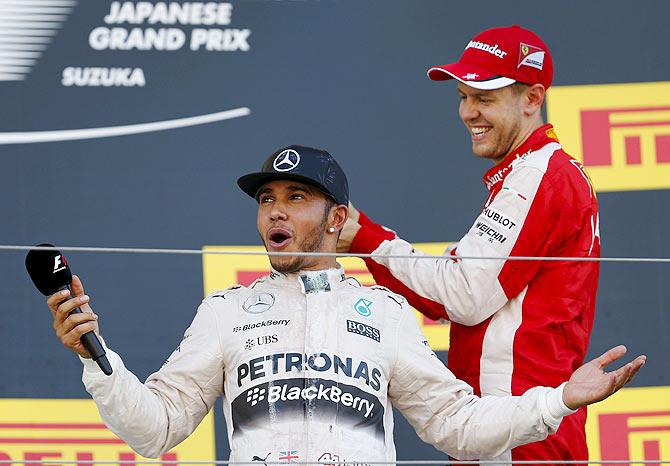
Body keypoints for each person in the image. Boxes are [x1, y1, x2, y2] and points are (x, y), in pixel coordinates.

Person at [48, 145, 638, 465]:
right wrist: (97, 361)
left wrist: (558, 400)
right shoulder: (226, 311)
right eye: (268, 200)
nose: (276, 211)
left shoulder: (382, 312)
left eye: (296, 197)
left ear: (336, 220)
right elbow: (157, 431)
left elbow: (460, 427)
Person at [337, 25, 601, 465]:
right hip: (503, 427)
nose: (468, 112)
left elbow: (463, 294)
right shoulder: (534, 175)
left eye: (485, 98)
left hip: (521, 436)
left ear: (533, 99)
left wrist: (365, 238)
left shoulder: (539, 176)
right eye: (463, 96)